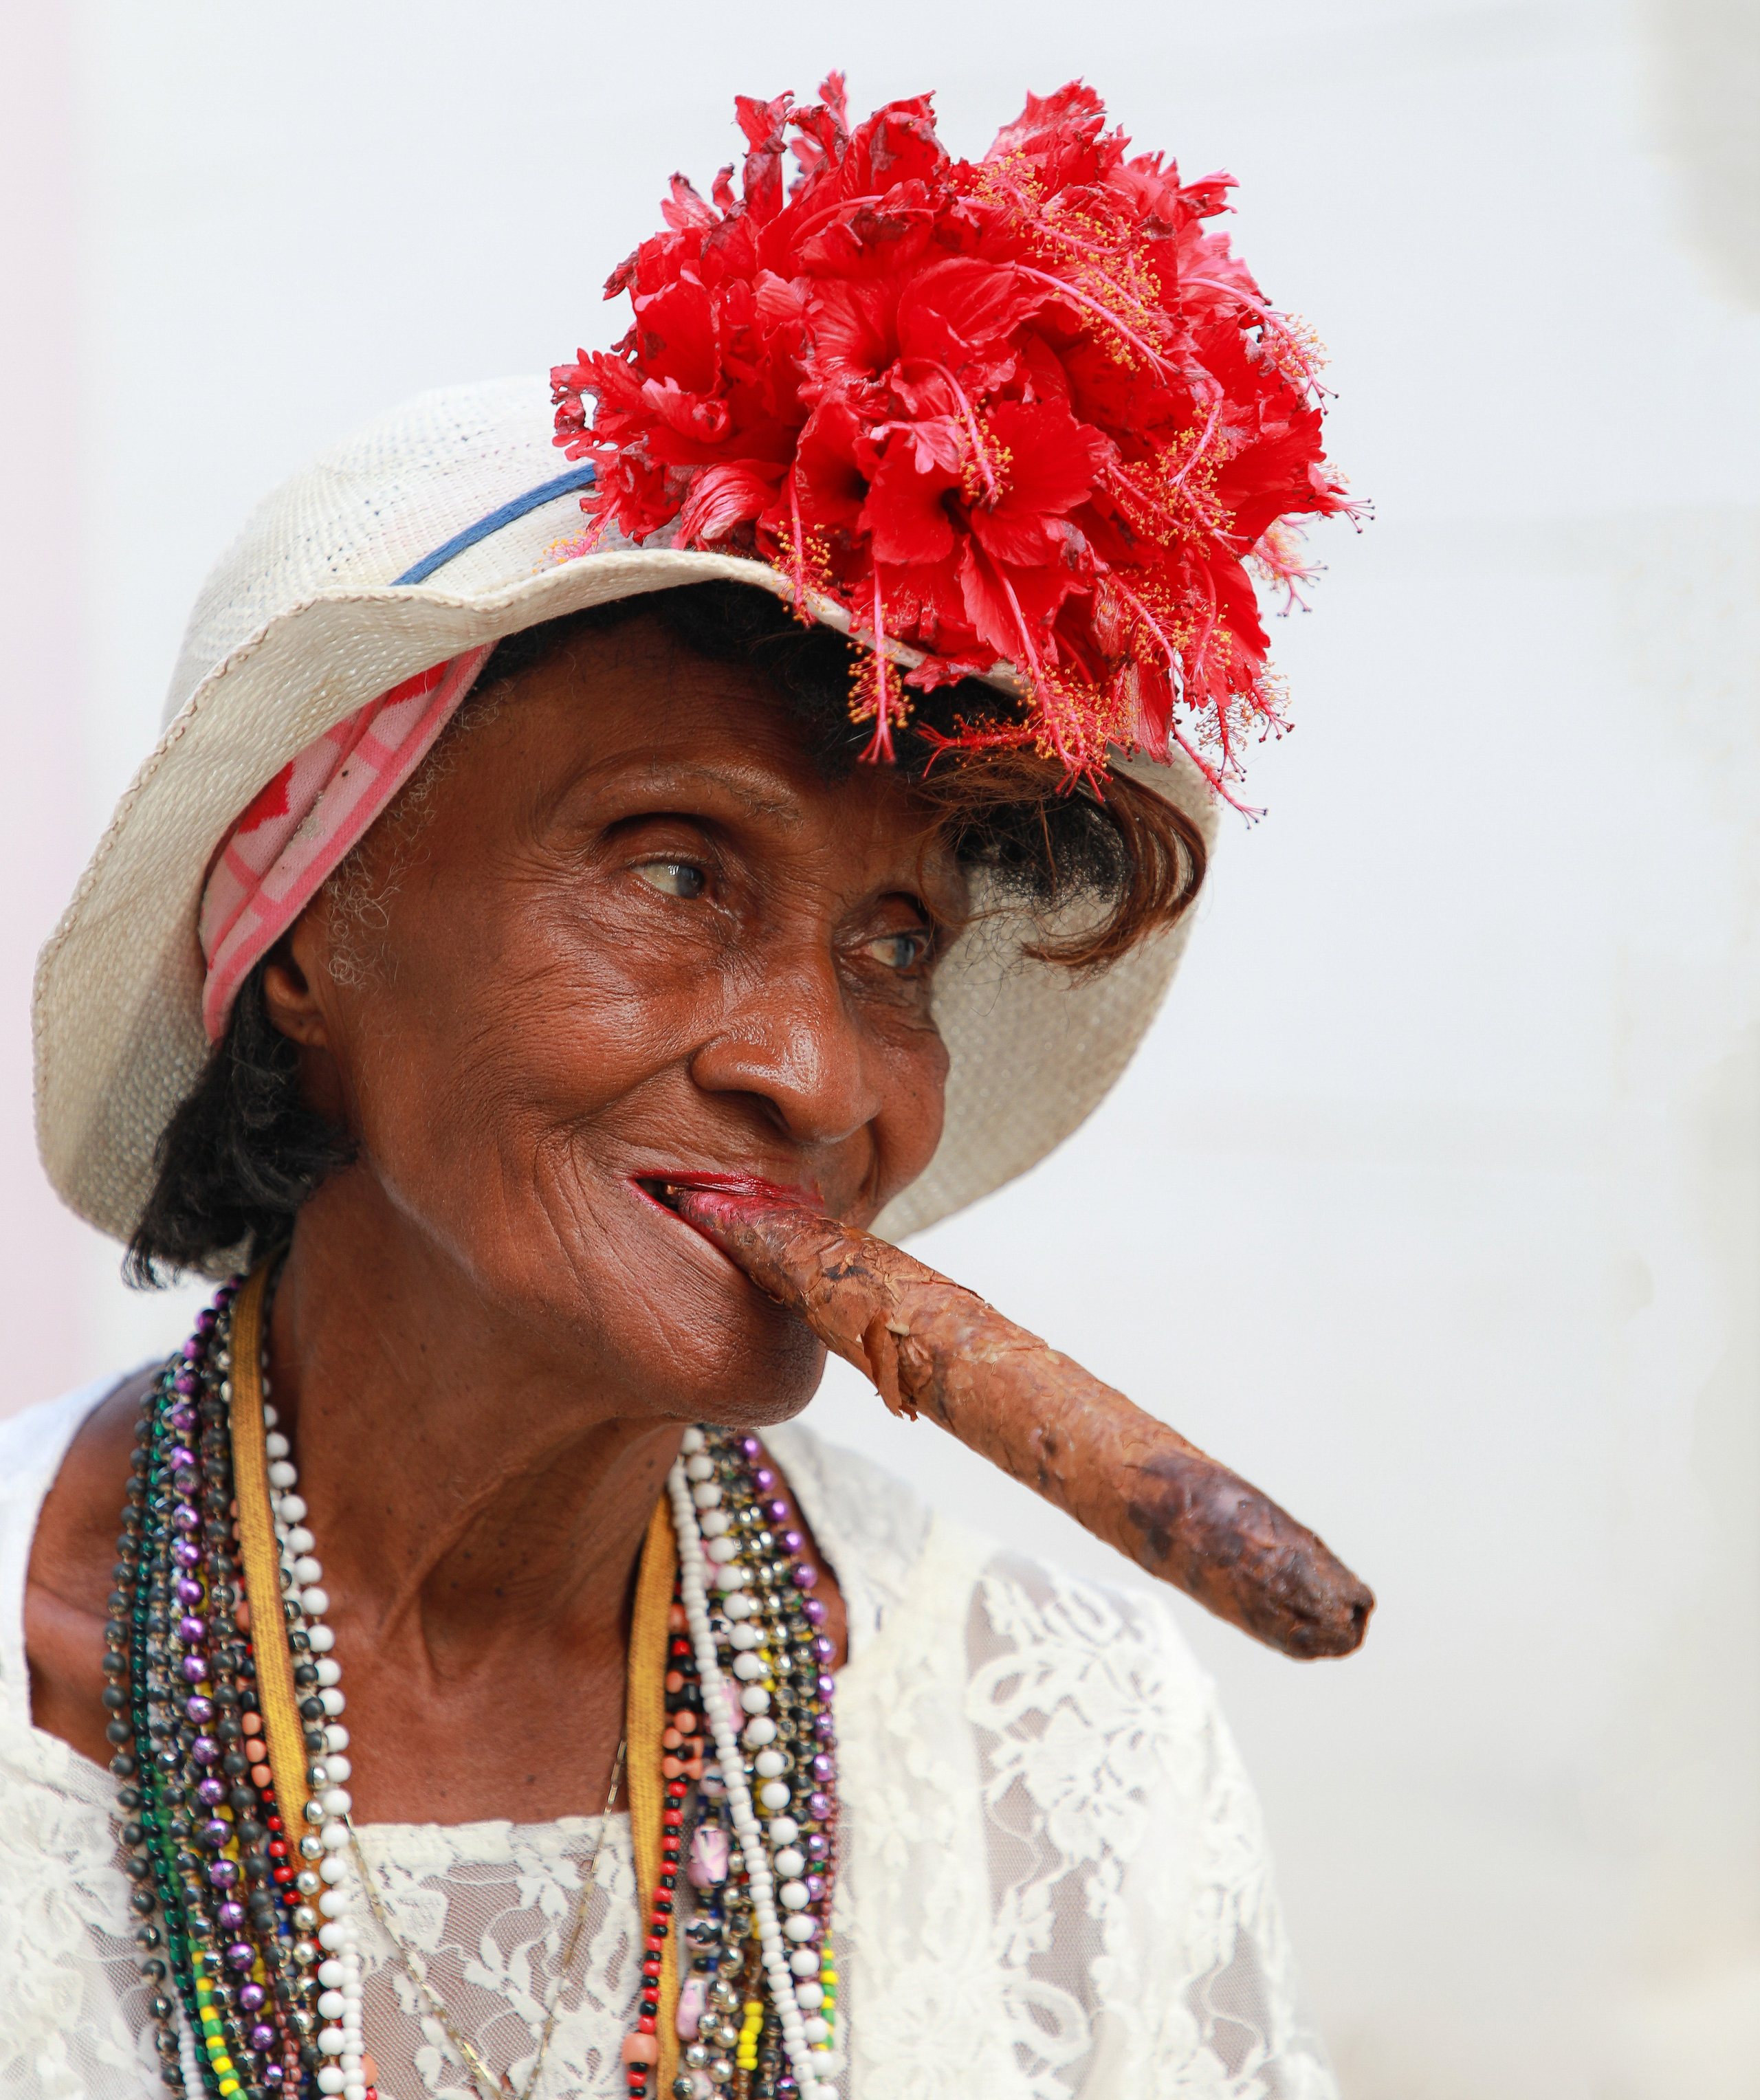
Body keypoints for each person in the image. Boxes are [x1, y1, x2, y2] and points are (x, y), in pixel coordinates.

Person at [3, 80, 1356, 2100]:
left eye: (892, 943)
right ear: (301, 939)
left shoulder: (1061, 1754)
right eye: (673, 873)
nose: (816, 1072)